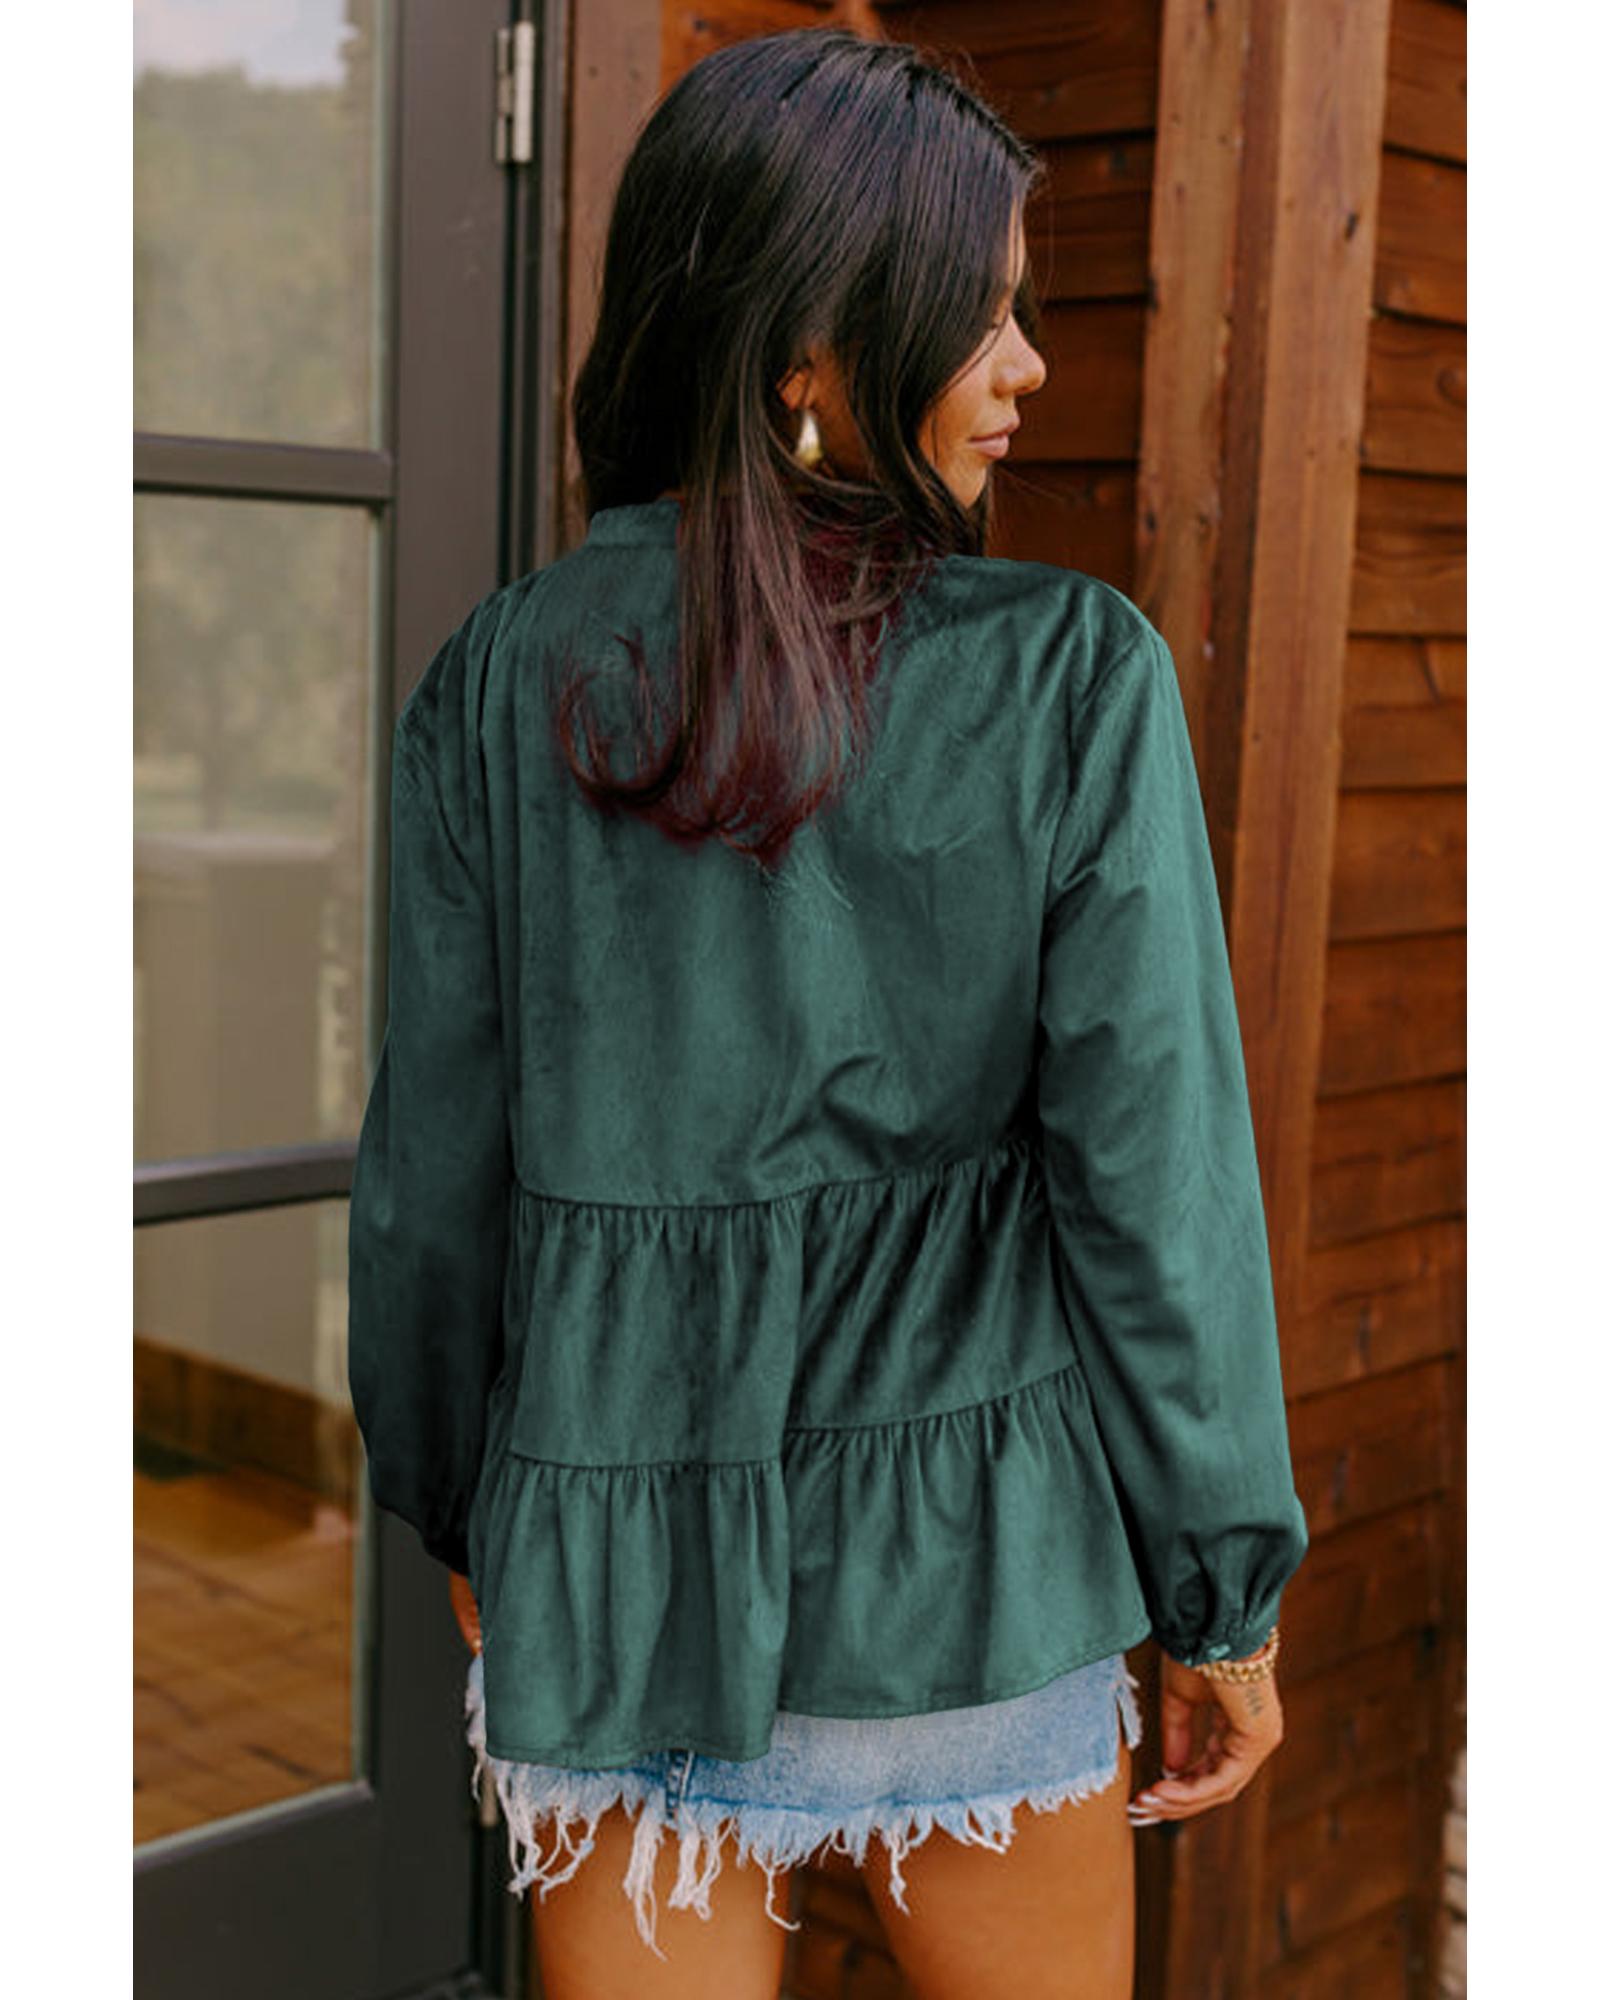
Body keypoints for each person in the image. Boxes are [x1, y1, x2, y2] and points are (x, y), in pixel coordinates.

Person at [347, 25, 1310, 2000]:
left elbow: (430, 1185)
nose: (1027, 367)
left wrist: (464, 1502)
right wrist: (1221, 1595)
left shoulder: (499, 677)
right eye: (984, 316)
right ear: (806, 353)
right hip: (973, 1561)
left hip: (611, 1554)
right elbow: (1154, 1185)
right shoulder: (1070, 678)